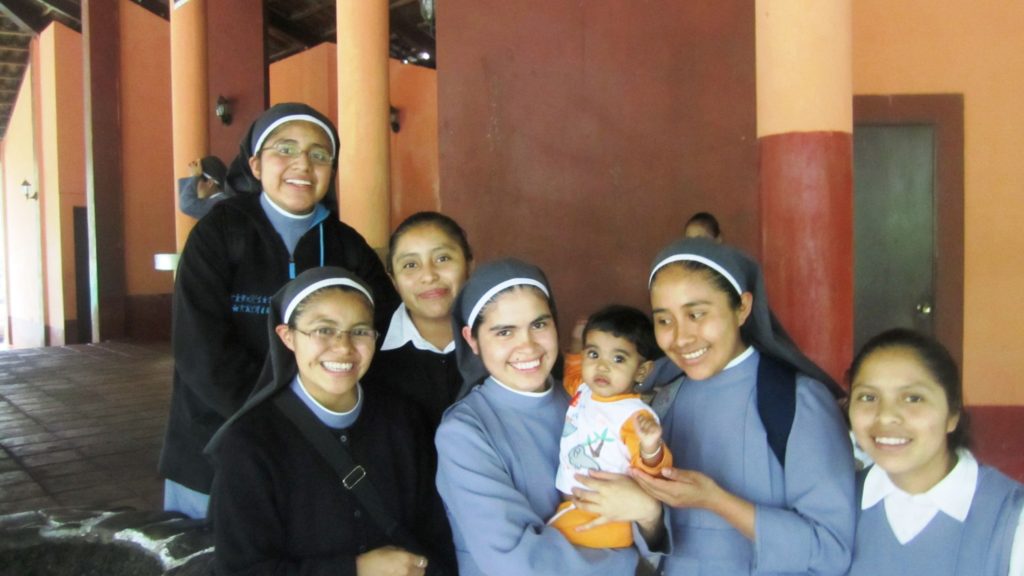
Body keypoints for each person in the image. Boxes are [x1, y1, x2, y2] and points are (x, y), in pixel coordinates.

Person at [161, 102, 399, 519]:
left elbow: (383, 332)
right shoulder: (218, 234)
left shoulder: (347, 246)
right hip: (215, 441)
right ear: (255, 164)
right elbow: (200, 350)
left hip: (320, 444)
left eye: (319, 154)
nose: (303, 164)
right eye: (285, 149)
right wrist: (276, 420)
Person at [208, 266, 455, 576]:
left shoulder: (403, 421)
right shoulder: (250, 443)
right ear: (287, 336)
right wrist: (356, 570)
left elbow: (435, 533)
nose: (343, 347)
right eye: (324, 330)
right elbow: (242, 569)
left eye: (360, 331)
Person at [631, 237, 855, 574]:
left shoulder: (797, 401)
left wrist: (716, 500)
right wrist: (647, 518)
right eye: (664, 320)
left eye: (696, 314)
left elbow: (831, 549)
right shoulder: (661, 400)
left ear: (743, 308)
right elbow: (650, 541)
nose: (680, 337)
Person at [435, 259, 666, 576]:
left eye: (539, 325)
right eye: (505, 332)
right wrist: (632, 565)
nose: (528, 346)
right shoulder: (464, 434)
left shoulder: (584, 400)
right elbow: (516, 563)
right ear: (471, 339)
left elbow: (645, 509)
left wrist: (649, 513)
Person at [846, 328, 1024, 576]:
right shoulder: (834, 503)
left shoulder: (1011, 516)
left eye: (913, 398)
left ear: (952, 414)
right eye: (867, 397)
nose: (885, 416)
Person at [552, 304, 673, 548]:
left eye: (618, 358)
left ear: (642, 371)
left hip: (607, 517)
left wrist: (650, 446)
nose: (602, 366)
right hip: (576, 505)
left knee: (550, 544)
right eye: (593, 354)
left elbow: (654, 473)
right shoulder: (584, 389)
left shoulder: (633, 416)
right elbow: (572, 374)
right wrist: (576, 343)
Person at [364, 212, 472, 431]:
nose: (429, 276)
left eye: (442, 258)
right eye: (410, 265)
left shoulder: (500, 339)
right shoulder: (368, 350)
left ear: (469, 265)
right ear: (394, 280)